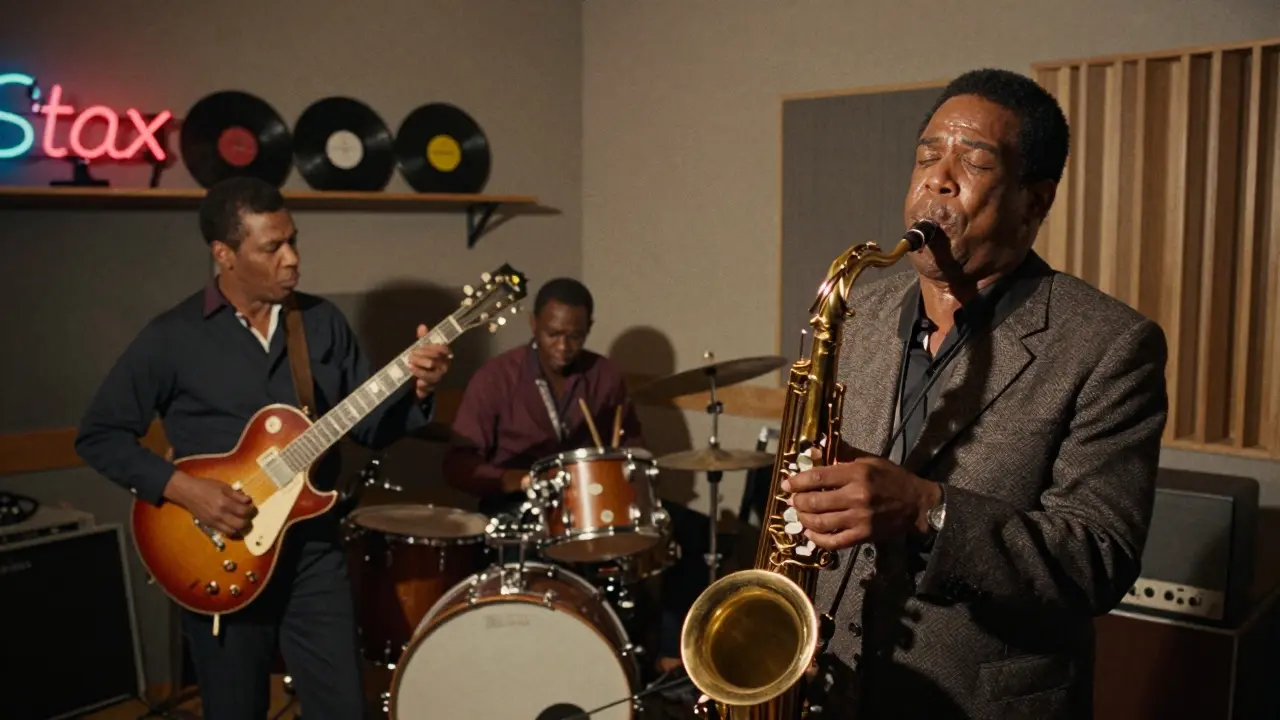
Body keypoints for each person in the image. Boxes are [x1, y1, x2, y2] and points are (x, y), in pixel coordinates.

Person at [781, 68, 1168, 718]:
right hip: (830, 684)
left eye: (974, 161)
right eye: (928, 155)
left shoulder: (1109, 344)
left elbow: (1097, 558)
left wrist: (927, 510)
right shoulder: (858, 312)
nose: (938, 178)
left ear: (1035, 202)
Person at [74, 176, 452, 720]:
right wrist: (186, 489)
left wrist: (418, 389)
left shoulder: (320, 323)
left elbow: (369, 429)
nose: (293, 259)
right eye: (272, 247)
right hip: (217, 552)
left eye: (293, 240)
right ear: (224, 255)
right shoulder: (172, 337)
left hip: (312, 550)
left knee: (345, 708)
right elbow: (99, 435)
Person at [442, 277, 644, 518]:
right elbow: (458, 465)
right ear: (534, 324)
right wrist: (514, 479)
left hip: (588, 507)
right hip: (516, 505)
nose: (563, 346)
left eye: (575, 336)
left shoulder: (606, 376)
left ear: (589, 328)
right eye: (553, 334)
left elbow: (633, 449)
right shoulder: (496, 377)